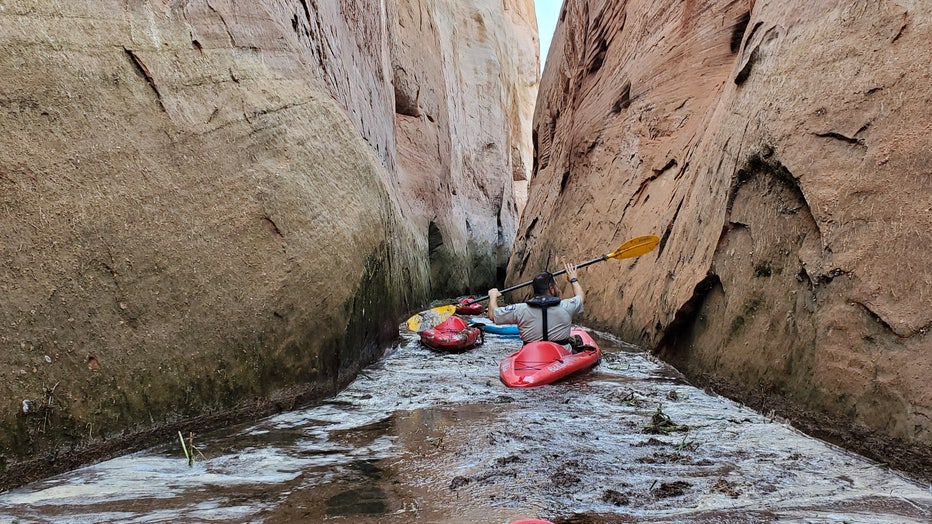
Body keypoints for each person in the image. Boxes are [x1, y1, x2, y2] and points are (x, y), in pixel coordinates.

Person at [487, 260, 584, 349]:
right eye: (556, 285)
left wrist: (493, 296)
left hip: (531, 358)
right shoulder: (566, 306)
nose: (557, 288)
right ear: (551, 289)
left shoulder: (520, 310)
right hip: (561, 356)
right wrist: (573, 279)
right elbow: (580, 297)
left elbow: (492, 315)